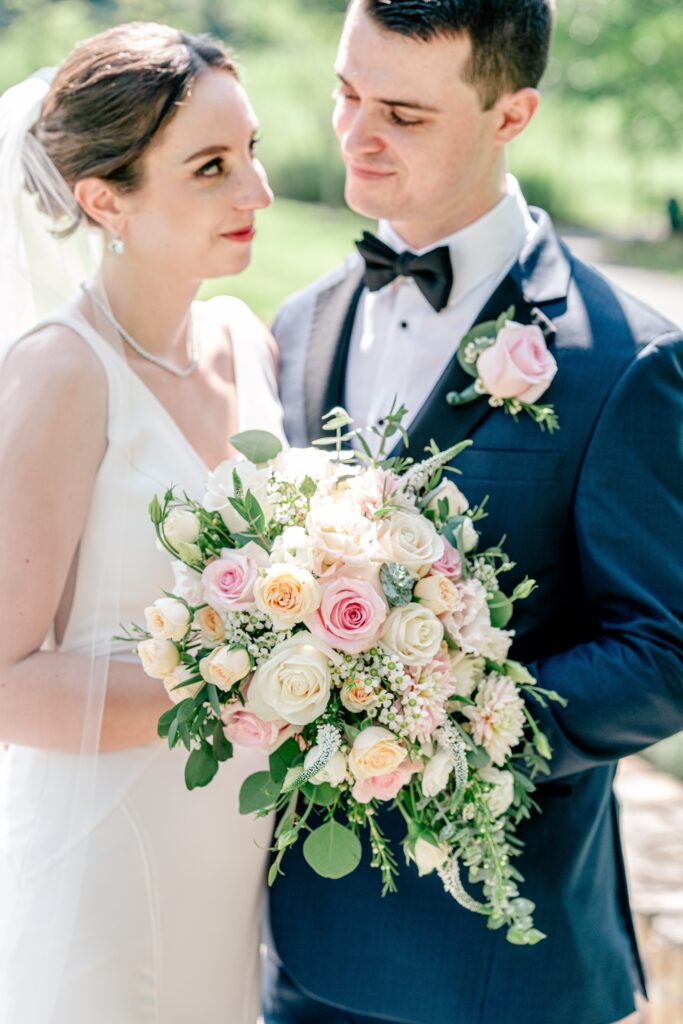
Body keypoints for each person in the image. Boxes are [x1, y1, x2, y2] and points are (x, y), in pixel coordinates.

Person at [266, 2, 683, 1023]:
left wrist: (443, 726)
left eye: (402, 114)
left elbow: (659, 651)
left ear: (513, 112)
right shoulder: (301, 321)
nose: (354, 135)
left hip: (498, 969)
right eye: (344, 92)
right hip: (293, 946)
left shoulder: (623, 360)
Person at [0, 22, 283, 1024]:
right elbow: (5, 680)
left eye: (251, 150)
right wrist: (246, 694)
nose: (256, 192)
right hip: (103, 855)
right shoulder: (59, 375)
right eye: (211, 166)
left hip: (226, 845)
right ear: (103, 199)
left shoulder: (249, 344)